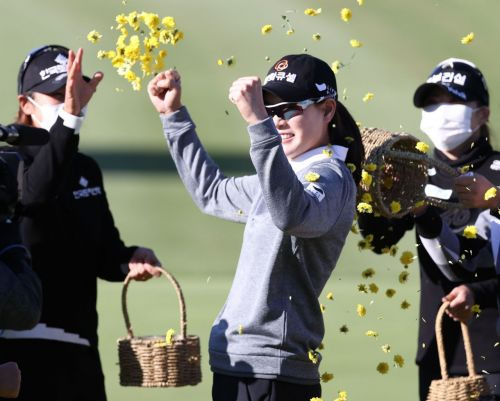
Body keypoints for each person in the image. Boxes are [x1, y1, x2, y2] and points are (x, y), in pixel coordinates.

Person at [147, 53, 364, 401]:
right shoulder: (282, 174)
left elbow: (291, 214)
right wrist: (173, 117)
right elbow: (213, 194)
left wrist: (257, 124)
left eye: (288, 109)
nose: (277, 120)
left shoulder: (331, 177)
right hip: (239, 362)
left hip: (276, 370)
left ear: (326, 110)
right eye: (270, 110)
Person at [0, 45, 162, 401]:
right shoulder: (7, 158)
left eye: (72, 91)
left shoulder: (85, 168)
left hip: (78, 351)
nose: (69, 99)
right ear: (25, 103)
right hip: (18, 354)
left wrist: (129, 259)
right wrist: (69, 118)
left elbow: (102, 252)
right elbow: (36, 195)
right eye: (58, 93)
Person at [357, 58, 500, 400]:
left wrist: (494, 197)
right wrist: (372, 193)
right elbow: (379, 239)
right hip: (439, 354)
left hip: (495, 351)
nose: (440, 111)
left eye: (453, 102)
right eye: (432, 103)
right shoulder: (417, 174)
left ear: (482, 114)